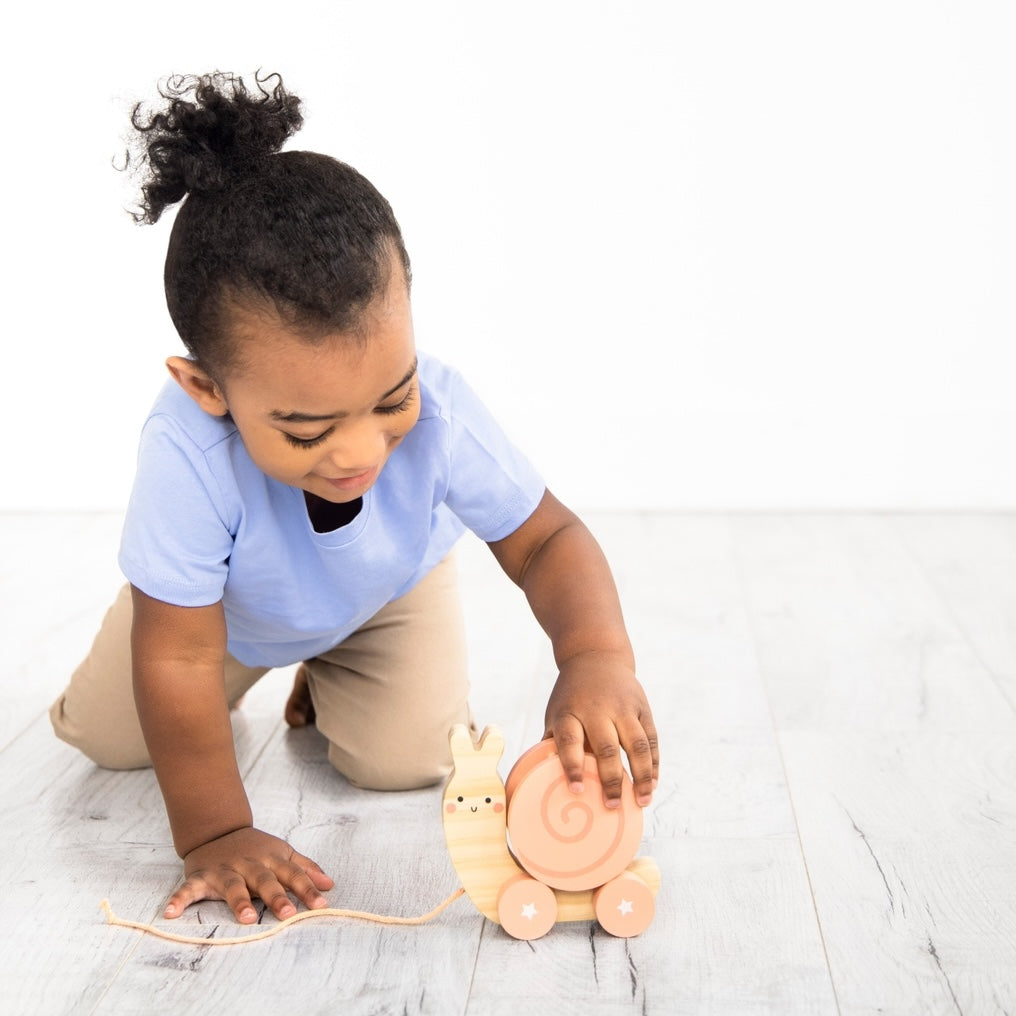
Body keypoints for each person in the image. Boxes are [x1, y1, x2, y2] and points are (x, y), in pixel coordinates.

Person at [50, 71, 659, 925]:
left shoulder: (444, 411)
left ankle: (330, 665)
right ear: (206, 387)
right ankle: (178, 625)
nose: (362, 451)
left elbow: (547, 539)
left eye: (391, 399)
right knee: (113, 741)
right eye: (307, 431)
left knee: (408, 760)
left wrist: (594, 656)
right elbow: (181, 660)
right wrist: (216, 830)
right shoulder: (186, 452)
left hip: (384, 593)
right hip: (212, 620)